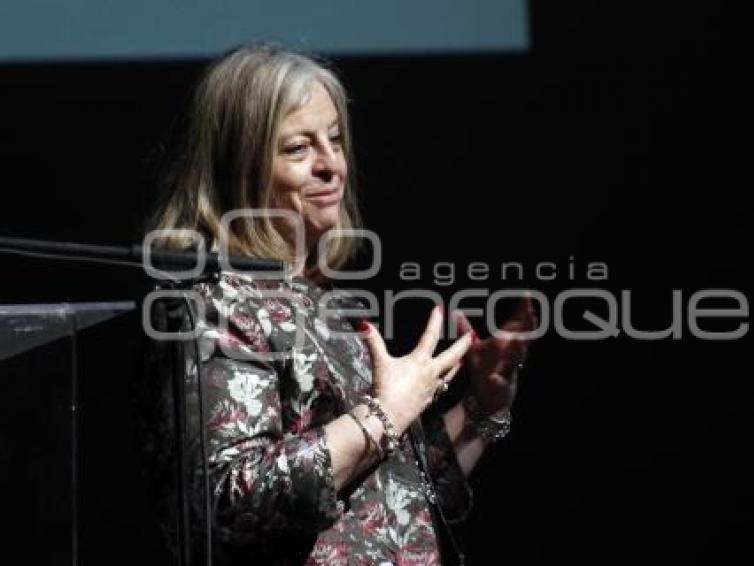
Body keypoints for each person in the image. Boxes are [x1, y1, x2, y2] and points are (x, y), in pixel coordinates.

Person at [140, 43, 537, 565]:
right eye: (298, 149)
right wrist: (385, 413)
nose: (331, 165)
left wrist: (481, 408)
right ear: (240, 165)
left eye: (334, 140)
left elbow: (394, 498)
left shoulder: (325, 303)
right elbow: (231, 502)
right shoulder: (211, 307)